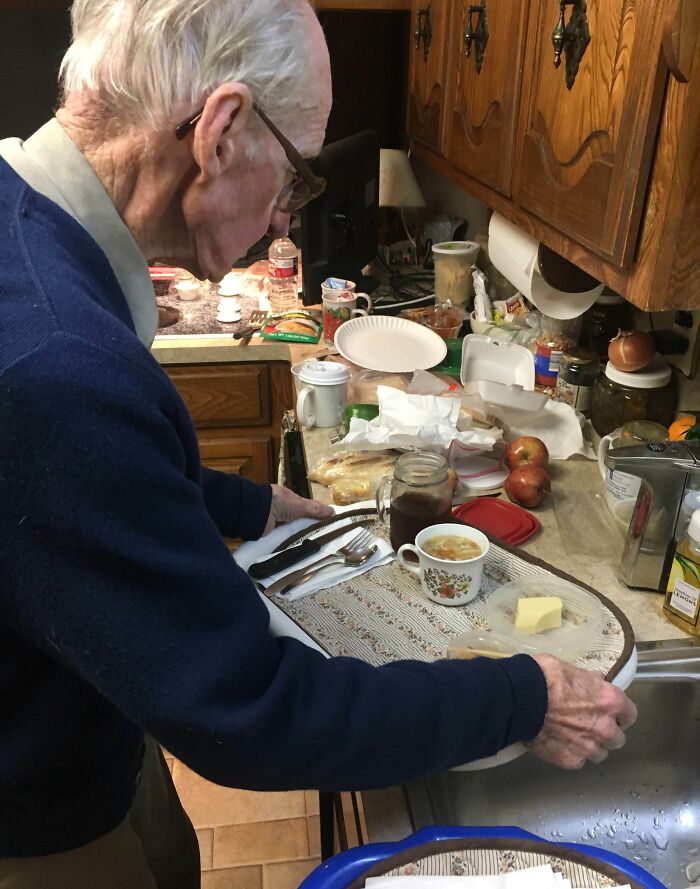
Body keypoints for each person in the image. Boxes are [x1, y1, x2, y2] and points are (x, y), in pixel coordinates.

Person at [0, 1, 637, 886]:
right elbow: (247, 710)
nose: (283, 223)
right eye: (294, 175)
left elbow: (63, 498)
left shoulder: (21, 227)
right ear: (221, 132)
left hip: (73, 715)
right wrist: (523, 695)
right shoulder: (58, 363)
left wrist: (250, 501)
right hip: (32, 828)